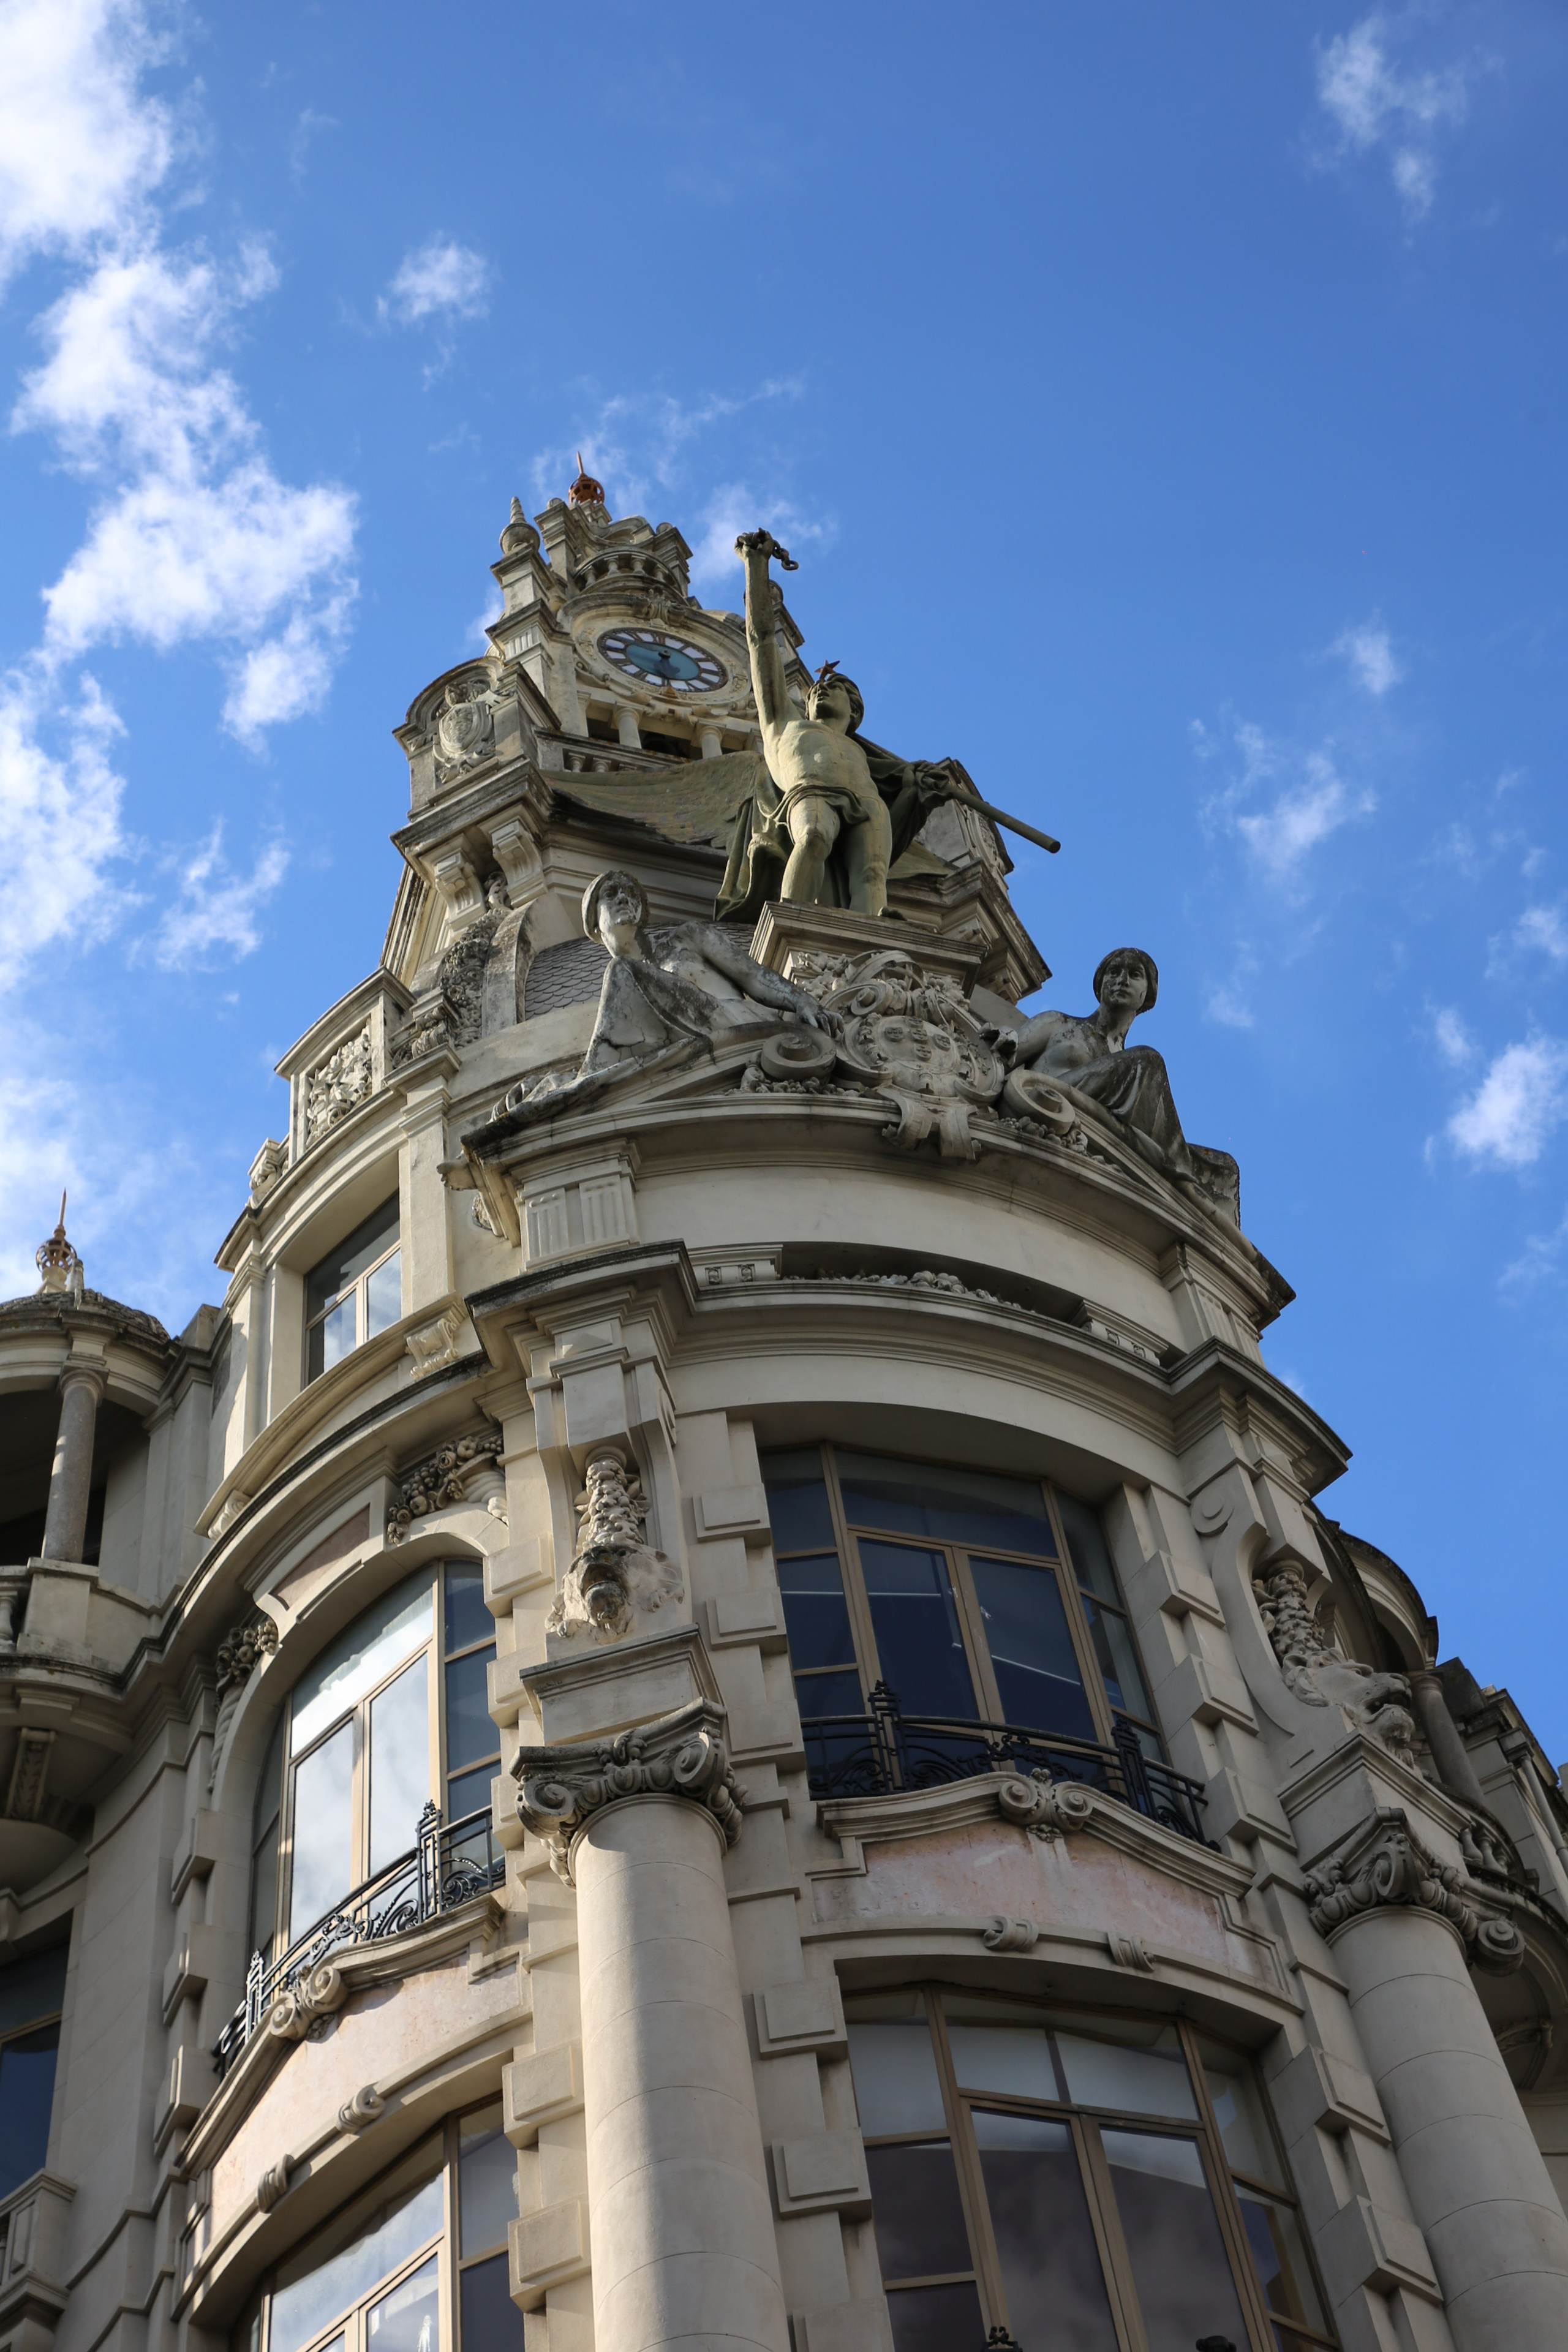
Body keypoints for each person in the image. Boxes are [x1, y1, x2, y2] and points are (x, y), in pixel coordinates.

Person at [718, 530, 963, 922]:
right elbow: (761, 640)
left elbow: (900, 796)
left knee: (872, 874)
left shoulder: (863, 754)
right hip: (811, 790)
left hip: (868, 804)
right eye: (815, 690)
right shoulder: (784, 722)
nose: (819, 691)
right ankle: (792, 924)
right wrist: (755, 566)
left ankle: (873, 936)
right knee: (814, 837)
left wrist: (917, 788)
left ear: (855, 708)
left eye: (833, 688)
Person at [496, 869, 828, 1120]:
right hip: (688, 1051)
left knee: (622, 971)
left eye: (630, 893)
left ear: (641, 909)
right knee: (624, 975)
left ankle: (579, 1087)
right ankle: (576, 1083)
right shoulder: (628, 992)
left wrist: (801, 999)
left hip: (738, 1027)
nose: (623, 898)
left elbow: (752, 975)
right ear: (594, 924)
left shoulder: (686, 938)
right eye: (610, 894)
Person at [1006, 948, 1241, 1225]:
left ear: (1146, 995)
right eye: (1114, 972)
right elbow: (1009, 1049)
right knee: (1148, 1061)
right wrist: (1004, 1038)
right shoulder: (1060, 1023)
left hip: (1108, 1128)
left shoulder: (1129, 1068)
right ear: (1101, 985)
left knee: (1225, 1169)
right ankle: (1184, 1183)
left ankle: (1193, 1195)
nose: (1122, 980)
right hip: (1051, 1099)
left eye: (1134, 974)